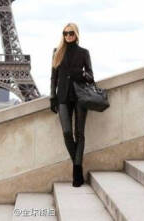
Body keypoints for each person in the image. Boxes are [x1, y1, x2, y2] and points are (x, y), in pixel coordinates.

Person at [50, 22, 94, 187]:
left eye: (71, 33)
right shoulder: (57, 52)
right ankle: (78, 164)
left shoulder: (84, 53)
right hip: (62, 97)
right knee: (67, 133)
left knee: (79, 133)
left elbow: (90, 76)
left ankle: (77, 170)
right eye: (65, 33)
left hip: (80, 97)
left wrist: (80, 74)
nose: (68, 36)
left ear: (76, 35)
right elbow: (53, 77)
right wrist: (52, 97)